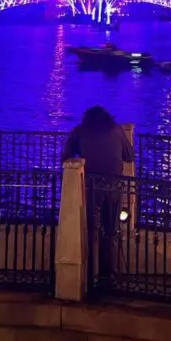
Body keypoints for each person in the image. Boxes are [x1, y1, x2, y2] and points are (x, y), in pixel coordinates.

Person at [63, 106, 134, 277]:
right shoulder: (116, 130)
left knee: (89, 229)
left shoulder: (80, 131)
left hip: (91, 186)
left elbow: (65, 156)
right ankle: (107, 272)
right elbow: (130, 156)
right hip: (113, 187)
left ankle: (87, 273)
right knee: (109, 230)